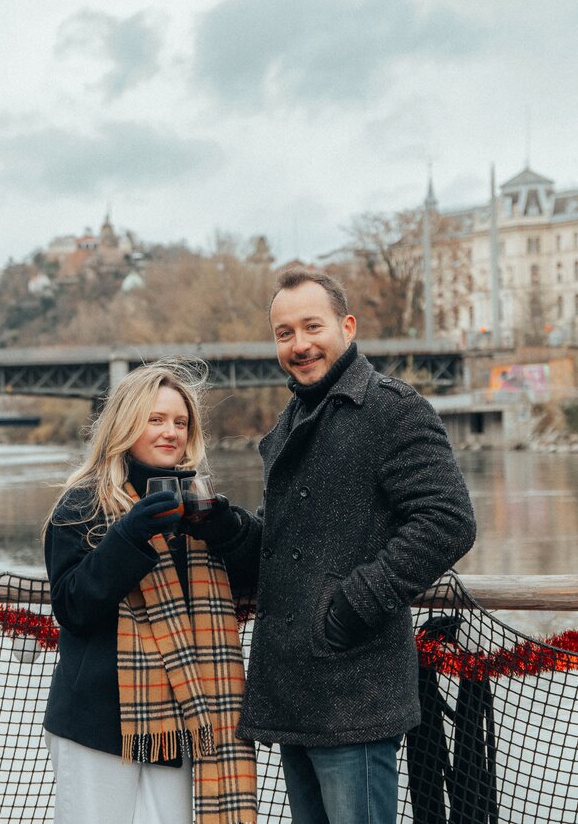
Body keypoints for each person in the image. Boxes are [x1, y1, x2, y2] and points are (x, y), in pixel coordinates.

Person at [183, 269, 476, 823]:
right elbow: (278, 545)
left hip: (354, 691)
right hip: (295, 693)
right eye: (284, 333)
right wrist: (225, 526)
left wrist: (351, 607)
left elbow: (449, 520)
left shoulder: (393, 410)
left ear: (347, 326)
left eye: (312, 326)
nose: (299, 345)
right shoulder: (292, 420)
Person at [42, 359, 257, 824]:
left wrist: (227, 529)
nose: (171, 432)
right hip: (95, 722)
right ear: (126, 424)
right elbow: (73, 606)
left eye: (180, 422)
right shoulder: (82, 503)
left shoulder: (199, 504)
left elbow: (260, 573)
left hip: (179, 719)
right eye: (155, 419)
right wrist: (129, 534)